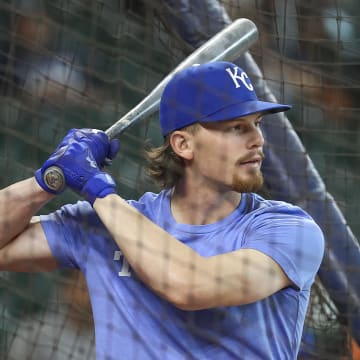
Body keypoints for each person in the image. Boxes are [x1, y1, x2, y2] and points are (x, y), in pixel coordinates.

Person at [0, 61, 324, 359]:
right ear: (183, 144)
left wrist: (96, 189)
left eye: (257, 124)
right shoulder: (103, 226)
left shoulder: (287, 229)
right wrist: (47, 181)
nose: (258, 140)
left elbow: (191, 286)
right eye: (237, 128)